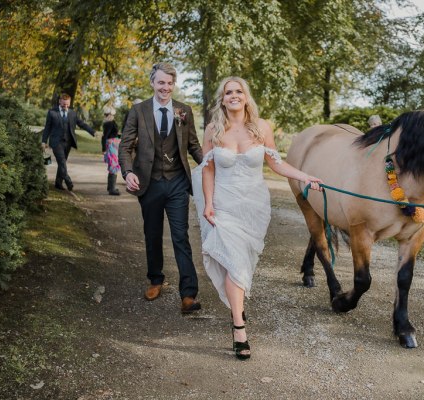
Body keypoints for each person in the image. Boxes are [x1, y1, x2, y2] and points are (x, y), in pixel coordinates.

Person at [191, 77, 322, 360]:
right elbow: (208, 169)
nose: (234, 96)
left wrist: (305, 177)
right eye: (229, 92)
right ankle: (239, 327)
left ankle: (236, 307)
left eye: (239, 91)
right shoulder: (214, 129)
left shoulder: (262, 127)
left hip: (254, 206)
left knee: (243, 263)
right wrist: (209, 203)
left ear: (246, 97)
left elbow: (276, 163)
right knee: (233, 261)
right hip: (224, 205)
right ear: (222, 98)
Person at [118, 62, 204, 314]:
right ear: (153, 83)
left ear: (173, 85)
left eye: (169, 83)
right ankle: (156, 279)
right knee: (153, 234)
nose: (165, 87)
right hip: (150, 182)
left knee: (181, 236)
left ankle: (188, 294)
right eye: (161, 82)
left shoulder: (184, 111)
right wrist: (128, 171)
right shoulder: (138, 111)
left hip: (177, 182)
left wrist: (211, 165)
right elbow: (124, 147)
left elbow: (194, 146)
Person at [41, 93, 96, 191]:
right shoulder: (52, 112)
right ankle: (68, 181)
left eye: (67, 105)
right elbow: (47, 128)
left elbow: (81, 124)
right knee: (61, 161)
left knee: (62, 163)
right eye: (63, 105)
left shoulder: (72, 113)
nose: (65, 107)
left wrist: (92, 132)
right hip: (56, 142)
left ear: (69, 103)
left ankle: (58, 183)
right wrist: (44, 141)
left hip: (68, 142)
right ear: (59, 101)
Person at [101, 106, 121, 196]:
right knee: (113, 165)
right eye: (111, 114)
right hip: (111, 146)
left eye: (113, 115)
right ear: (108, 115)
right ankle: (112, 189)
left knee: (113, 166)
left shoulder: (110, 122)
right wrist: (104, 149)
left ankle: (111, 187)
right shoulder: (109, 123)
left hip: (114, 144)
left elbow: (113, 134)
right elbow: (105, 136)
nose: (113, 116)